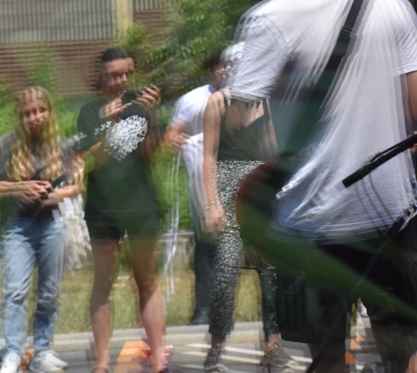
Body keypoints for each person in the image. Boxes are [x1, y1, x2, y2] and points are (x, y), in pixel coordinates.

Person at [206, 0, 417, 373]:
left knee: (326, 357)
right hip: (391, 214)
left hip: (308, 221)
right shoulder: (394, 8)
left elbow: (243, 129)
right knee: (405, 349)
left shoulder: (265, 20)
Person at [76, 47, 169, 373]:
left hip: (140, 202)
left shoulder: (140, 109)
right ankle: (102, 362)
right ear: (101, 76)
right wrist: (109, 120)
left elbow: (150, 154)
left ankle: (158, 360)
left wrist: (152, 118)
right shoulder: (90, 111)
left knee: (146, 279)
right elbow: (95, 157)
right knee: (103, 282)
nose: (122, 80)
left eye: (127, 73)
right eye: (115, 75)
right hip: (103, 205)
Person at [200, 46, 290, 373]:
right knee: (225, 268)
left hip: (258, 183)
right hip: (227, 182)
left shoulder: (263, 101)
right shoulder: (217, 102)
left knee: (269, 269)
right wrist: (212, 203)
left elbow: (271, 152)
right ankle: (217, 342)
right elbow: (208, 157)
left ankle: (273, 341)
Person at [0, 86, 84, 373]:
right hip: (19, 226)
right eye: (28, 113)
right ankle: (12, 352)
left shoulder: (61, 145)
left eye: (41, 110)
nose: (35, 117)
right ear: (20, 117)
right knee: (15, 291)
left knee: (49, 292)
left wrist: (55, 195)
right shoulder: (8, 144)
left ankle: (43, 350)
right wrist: (19, 188)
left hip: (53, 222)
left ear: (49, 112)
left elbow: (77, 185)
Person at [162, 52, 223, 326]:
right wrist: (179, 142)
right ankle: (204, 310)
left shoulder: (247, 95)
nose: (227, 71)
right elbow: (170, 138)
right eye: (222, 66)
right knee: (208, 244)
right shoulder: (193, 100)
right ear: (212, 69)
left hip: (240, 180)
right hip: (204, 181)